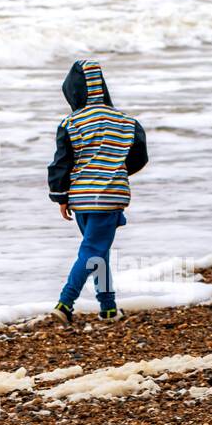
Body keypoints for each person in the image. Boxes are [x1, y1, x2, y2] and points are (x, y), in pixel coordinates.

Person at [47, 59, 148, 322]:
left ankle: (108, 307)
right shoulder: (127, 122)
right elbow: (139, 157)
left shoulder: (71, 123)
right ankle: (65, 302)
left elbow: (61, 162)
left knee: (96, 252)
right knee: (93, 251)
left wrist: (61, 196)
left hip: (79, 198)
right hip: (110, 197)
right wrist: (116, 171)